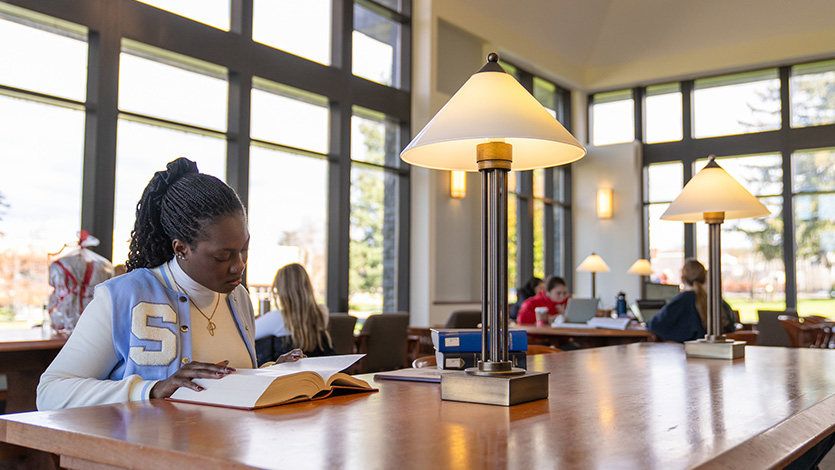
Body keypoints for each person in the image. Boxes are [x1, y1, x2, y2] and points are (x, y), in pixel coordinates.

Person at [37, 158, 303, 411]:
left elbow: (222, 384)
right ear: (181, 248)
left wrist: (271, 372)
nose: (239, 266)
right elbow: (50, 392)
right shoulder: (123, 296)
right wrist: (152, 390)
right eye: (223, 256)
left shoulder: (238, 297)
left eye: (244, 249)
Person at [254, 263, 335, 365]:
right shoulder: (322, 313)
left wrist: (254, 320)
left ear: (282, 290)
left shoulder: (276, 318)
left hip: (284, 377)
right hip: (317, 375)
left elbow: (246, 335)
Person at [647, 258, 735, 342]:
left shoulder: (679, 302)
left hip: (684, 353)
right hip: (715, 353)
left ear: (682, 279)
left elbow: (655, 325)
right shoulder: (718, 303)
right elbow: (730, 327)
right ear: (705, 278)